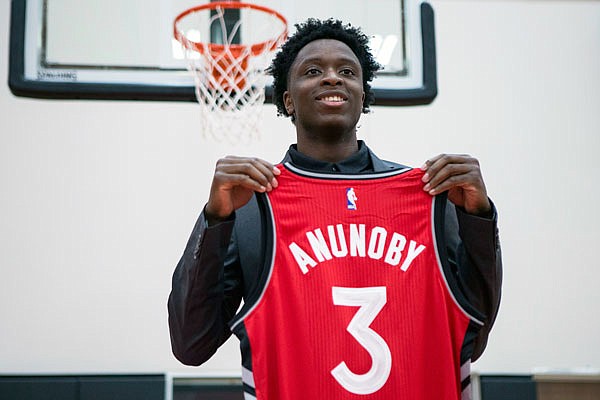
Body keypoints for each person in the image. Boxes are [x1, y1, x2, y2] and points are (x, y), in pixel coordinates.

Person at [168, 18, 502, 400]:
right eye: (313, 71)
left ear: (363, 95)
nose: (332, 78)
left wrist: (479, 219)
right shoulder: (250, 205)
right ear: (287, 99)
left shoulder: (431, 196)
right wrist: (215, 221)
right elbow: (190, 344)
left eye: (347, 71)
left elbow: (472, 339)